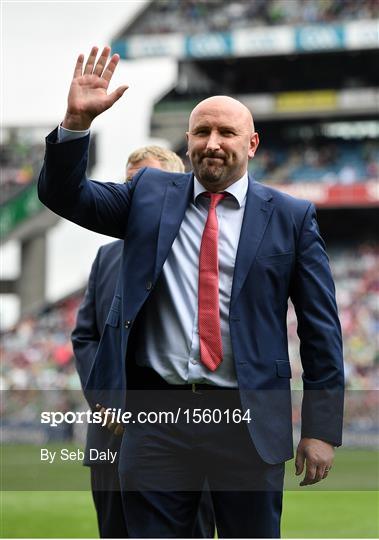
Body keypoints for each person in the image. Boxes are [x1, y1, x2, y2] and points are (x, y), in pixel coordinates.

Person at [38, 46, 344, 538]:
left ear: (252, 144)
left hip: (246, 423)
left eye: (226, 133)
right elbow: (64, 195)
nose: (213, 142)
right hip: (157, 421)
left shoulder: (290, 216)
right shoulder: (149, 196)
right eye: (202, 132)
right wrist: (76, 123)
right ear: (187, 142)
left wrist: (321, 429)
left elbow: (320, 330)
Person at [71, 146, 215, 538]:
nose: (132, 195)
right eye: (128, 185)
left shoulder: (202, 253)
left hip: (184, 430)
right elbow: (86, 335)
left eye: (144, 186)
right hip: (111, 433)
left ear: (177, 188)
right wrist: (105, 400)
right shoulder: (106, 255)